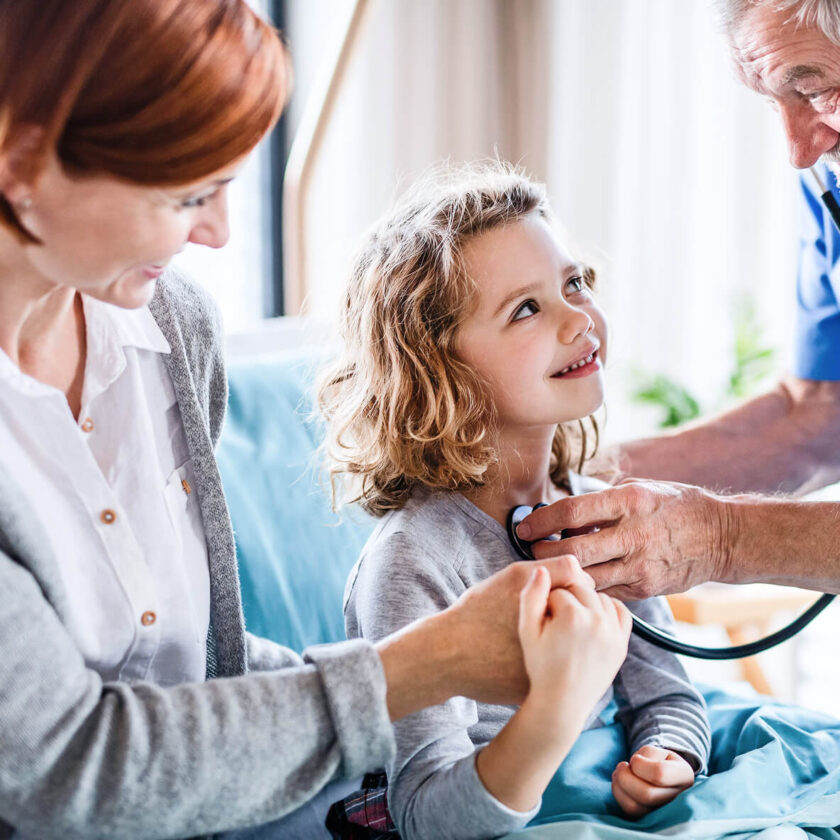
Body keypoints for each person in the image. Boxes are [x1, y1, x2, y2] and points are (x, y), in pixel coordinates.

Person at [0, 3, 587, 837]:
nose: (218, 232)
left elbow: (207, 662)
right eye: (188, 192)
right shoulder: (413, 559)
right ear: (24, 165)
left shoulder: (172, 328)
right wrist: (418, 667)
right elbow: (65, 770)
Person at [319, 164, 710, 840]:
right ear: (438, 373)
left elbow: (668, 695)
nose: (578, 317)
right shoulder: (415, 562)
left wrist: (669, 757)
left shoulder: (605, 518)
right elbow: (422, 813)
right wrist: (556, 709)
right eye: (526, 308)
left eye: (574, 283)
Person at [517, 0, 840, 602]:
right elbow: (820, 418)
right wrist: (565, 489)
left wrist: (722, 538)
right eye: (775, 100)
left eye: (820, 93)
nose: (799, 151)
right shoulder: (830, 183)